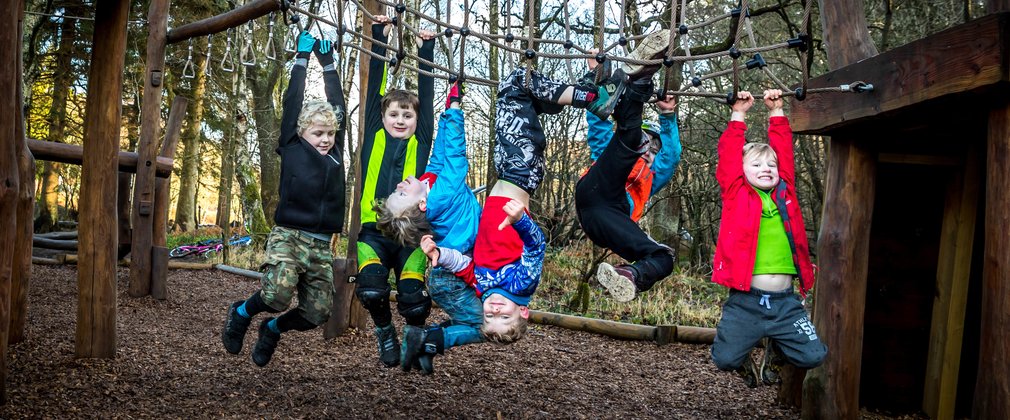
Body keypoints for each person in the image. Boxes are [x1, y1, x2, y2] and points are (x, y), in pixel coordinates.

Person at [221, 32, 347, 367]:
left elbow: (338, 107)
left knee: (317, 312)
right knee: (276, 294)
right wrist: (302, 60)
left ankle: (272, 329)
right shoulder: (292, 145)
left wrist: (329, 63)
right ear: (302, 133)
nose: (325, 139)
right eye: (318, 133)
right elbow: (292, 102)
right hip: (289, 234)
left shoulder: (336, 153)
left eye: (330, 133)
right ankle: (242, 311)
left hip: (321, 243)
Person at [709, 89, 827, 388]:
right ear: (742, 171)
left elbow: (784, 153)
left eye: (770, 166)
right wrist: (739, 114)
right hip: (746, 302)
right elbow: (728, 157)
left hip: (786, 303)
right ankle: (744, 356)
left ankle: (777, 348)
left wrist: (777, 111)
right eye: (757, 165)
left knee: (814, 356)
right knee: (725, 359)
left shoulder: (784, 193)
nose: (766, 170)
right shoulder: (737, 193)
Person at [374, 80, 485, 374]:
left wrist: (447, 109)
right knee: (489, 325)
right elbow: (456, 157)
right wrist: (456, 111)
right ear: (421, 206)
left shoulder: (430, 183)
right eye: (400, 194)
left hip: (446, 275)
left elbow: (440, 154)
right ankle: (429, 340)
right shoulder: (443, 194)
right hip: (450, 278)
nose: (399, 185)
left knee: (475, 321)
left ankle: (428, 345)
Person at [354, 15, 438, 368]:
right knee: (372, 290)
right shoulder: (374, 133)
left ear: (417, 122)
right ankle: (385, 331)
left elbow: (428, 98)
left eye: (407, 115)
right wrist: (379, 38)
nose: (400, 119)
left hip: (410, 234)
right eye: (394, 114)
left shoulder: (421, 142)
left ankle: (415, 340)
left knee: (413, 300)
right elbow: (375, 88)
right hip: (373, 231)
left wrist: (426, 50)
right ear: (383, 116)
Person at [577, 54, 683, 303]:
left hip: (611, 221)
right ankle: (639, 84)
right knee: (628, 140)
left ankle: (628, 275)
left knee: (664, 257)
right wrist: (597, 75)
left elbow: (671, 156)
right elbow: (599, 123)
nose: (649, 150)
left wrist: (667, 116)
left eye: (654, 149)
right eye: (647, 142)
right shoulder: (611, 150)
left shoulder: (651, 178)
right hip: (596, 191)